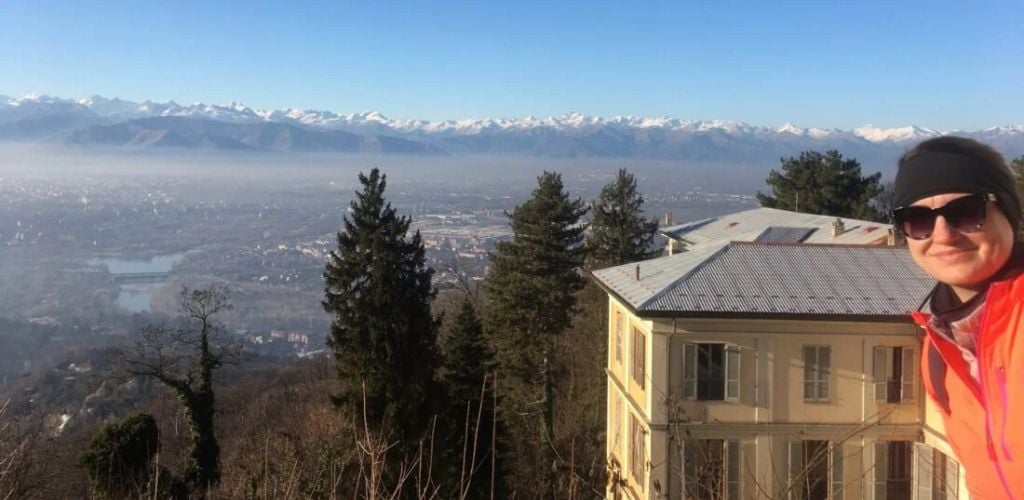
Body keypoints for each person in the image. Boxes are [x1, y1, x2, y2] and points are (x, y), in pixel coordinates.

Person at [892, 136, 1024, 498]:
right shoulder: (939, 345)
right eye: (917, 219)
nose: (943, 235)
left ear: (1009, 214)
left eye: (967, 212)